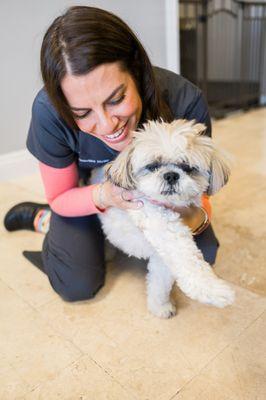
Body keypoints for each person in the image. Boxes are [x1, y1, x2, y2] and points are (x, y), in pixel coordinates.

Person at [4, 6, 218, 302]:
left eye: (116, 99)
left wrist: (184, 221)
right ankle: (45, 220)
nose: (107, 125)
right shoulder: (48, 112)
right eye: (82, 113)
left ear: (138, 70)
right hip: (87, 193)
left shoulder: (184, 101)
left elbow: (201, 186)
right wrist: (106, 196)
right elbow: (62, 196)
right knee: (76, 283)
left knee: (204, 254)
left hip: (162, 201)